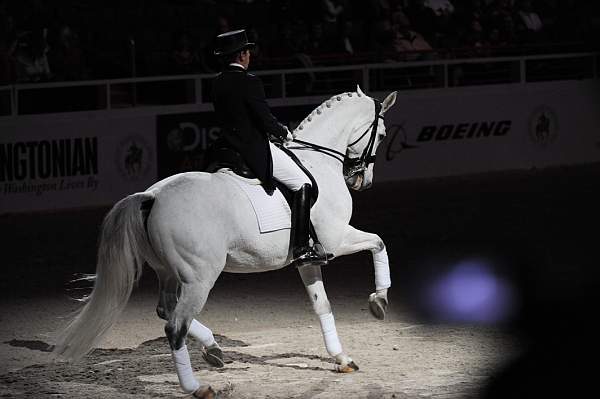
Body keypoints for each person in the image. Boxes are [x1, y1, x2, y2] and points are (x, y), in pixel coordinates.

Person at [210, 29, 328, 268]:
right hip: (252, 148)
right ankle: (301, 248)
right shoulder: (250, 82)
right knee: (302, 183)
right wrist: (282, 132)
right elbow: (263, 118)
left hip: (225, 147)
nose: (250, 55)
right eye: (248, 51)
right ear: (242, 55)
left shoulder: (217, 82)